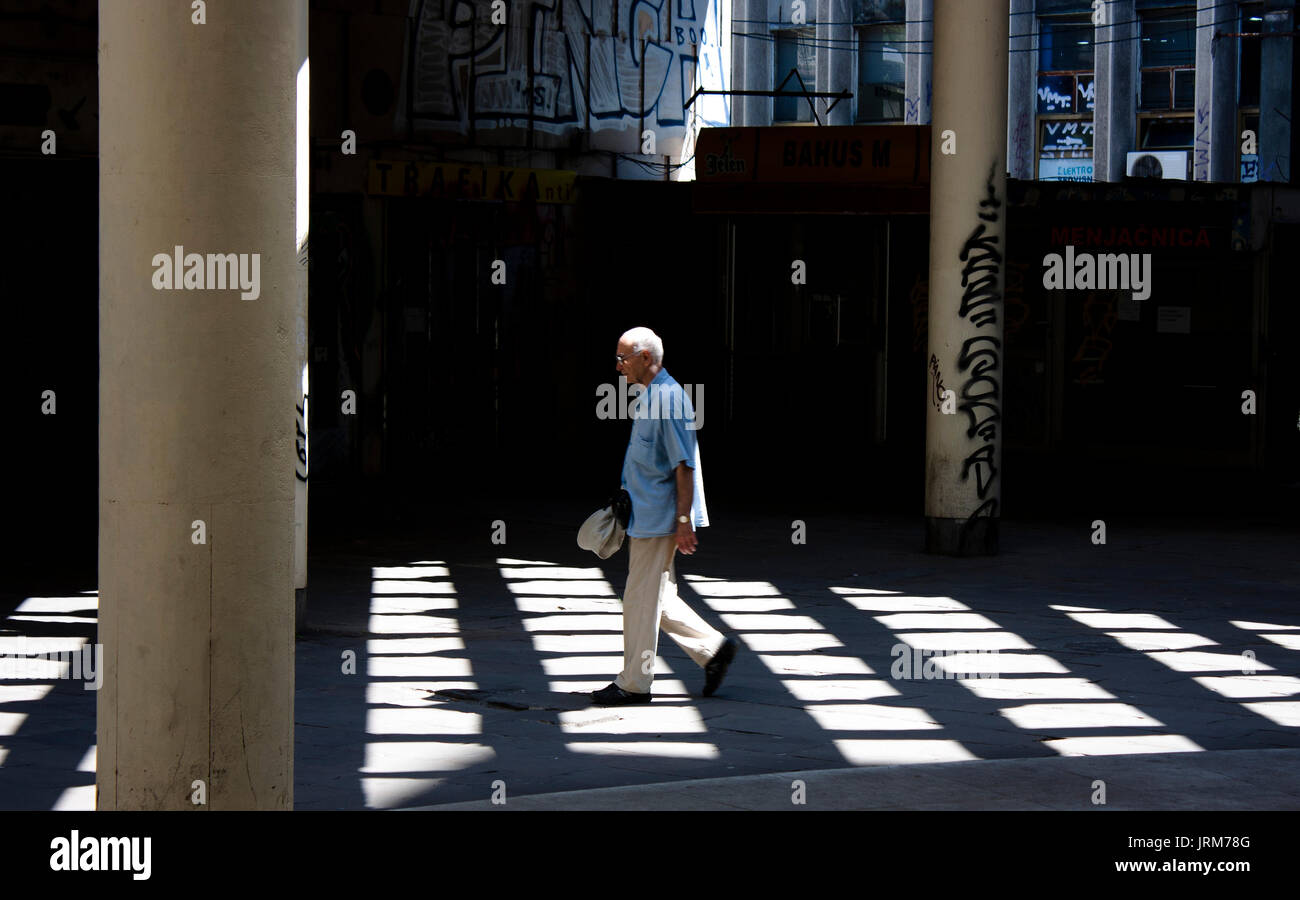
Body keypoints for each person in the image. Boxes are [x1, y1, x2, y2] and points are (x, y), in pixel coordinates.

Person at [592, 327, 739, 707]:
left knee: (639, 600)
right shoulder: (652, 396)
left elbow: (684, 465)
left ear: (645, 357)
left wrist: (684, 522)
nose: (619, 366)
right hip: (648, 512)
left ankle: (634, 683)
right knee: (658, 595)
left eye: (623, 358)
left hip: (659, 517)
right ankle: (713, 650)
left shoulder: (669, 400)